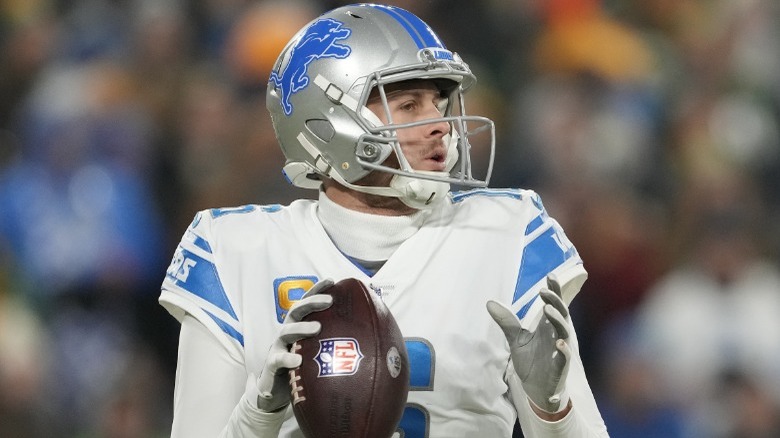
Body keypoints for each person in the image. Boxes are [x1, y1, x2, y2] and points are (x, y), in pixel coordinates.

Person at [159, 4, 609, 437]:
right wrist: (260, 417)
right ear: (327, 124)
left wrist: (553, 414)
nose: (440, 125)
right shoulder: (234, 250)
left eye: (438, 102)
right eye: (409, 106)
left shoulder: (508, 235)